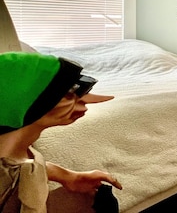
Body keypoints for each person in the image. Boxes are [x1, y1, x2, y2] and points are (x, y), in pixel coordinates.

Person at [0, 51, 122, 212]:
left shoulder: (14, 151)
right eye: (68, 95)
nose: (83, 106)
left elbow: (19, 166)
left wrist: (68, 176)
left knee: (100, 201)